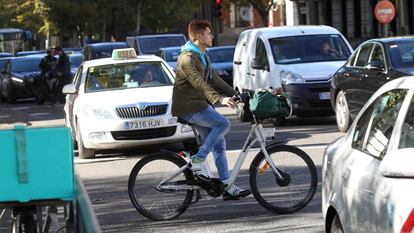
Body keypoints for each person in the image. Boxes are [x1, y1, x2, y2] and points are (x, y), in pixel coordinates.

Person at [171, 19, 250, 200]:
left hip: (199, 104)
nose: (212, 36)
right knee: (223, 124)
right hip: (189, 107)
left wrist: (237, 94)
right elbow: (198, 83)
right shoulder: (187, 58)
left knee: (219, 145)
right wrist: (220, 99)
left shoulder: (202, 55)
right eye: (208, 33)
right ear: (199, 36)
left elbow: (214, 79)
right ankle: (199, 160)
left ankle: (227, 186)